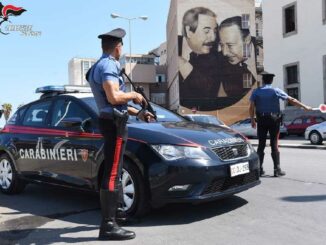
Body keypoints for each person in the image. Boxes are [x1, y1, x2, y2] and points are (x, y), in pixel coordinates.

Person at [86, 28, 154, 241]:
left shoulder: (102, 64)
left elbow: (114, 104)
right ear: (117, 47)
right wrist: (133, 94)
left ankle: (116, 216)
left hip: (115, 120)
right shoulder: (107, 64)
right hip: (113, 125)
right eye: (121, 46)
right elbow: (114, 97)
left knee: (115, 171)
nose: (122, 50)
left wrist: (140, 113)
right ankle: (108, 226)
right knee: (113, 172)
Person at [249, 71, 312, 177]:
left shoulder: (256, 91)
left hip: (261, 120)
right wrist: (305, 107)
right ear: (272, 80)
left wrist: (252, 119)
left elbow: (251, 107)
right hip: (274, 120)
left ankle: (259, 169)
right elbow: (291, 100)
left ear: (263, 80)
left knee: (261, 145)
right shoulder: (276, 90)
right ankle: (277, 170)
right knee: (274, 144)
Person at [178, 7, 222, 111]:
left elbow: (207, 89)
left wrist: (183, 64)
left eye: (215, 31)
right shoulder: (175, 46)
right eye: (207, 31)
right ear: (189, 31)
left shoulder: (216, 57)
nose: (213, 37)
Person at [218, 16, 258, 100]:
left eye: (230, 45)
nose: (224, 53)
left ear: (247, 40)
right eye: (222, 45)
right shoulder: (220, 62)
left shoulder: (265, 50)